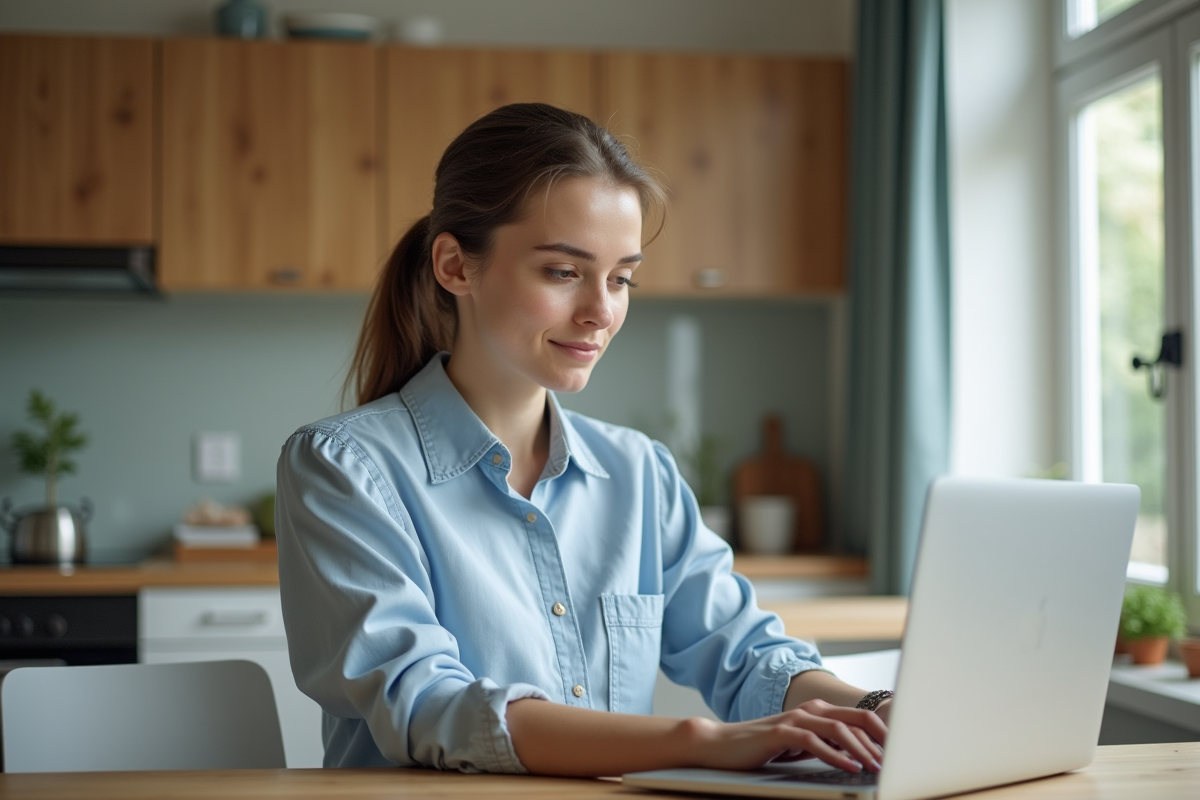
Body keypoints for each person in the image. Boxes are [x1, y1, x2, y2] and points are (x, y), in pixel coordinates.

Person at [275, 102, 891, 778]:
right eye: (563, 272)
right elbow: (428, 703)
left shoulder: (639, 473)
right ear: (455, 265)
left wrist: (876, 709)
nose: (602, 310)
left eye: (621, 277)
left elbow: (744, 653)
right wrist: (699, 742)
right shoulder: (345, 468)